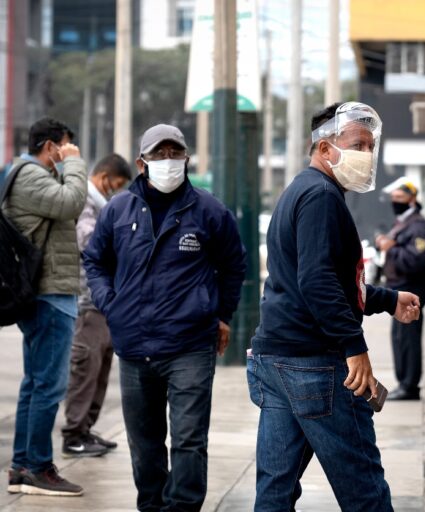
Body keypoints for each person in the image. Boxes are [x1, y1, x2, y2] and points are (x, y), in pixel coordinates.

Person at [249, 102, 421, 511]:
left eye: (370, 145)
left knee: (275, 488)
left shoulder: (302, 190)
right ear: (325, 148)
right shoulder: (321, 195)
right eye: (357, 144)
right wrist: (354, 348)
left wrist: (387, 299)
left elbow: (319, 279)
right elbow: (317, 281)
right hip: (314, 364)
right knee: (362, 485)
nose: (366, 154)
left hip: (277, 357)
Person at [83, 124, 247, 511]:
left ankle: (183, 507)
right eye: (159, 155)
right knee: (144, 443)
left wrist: (223, 316)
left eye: (175, 153)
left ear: (187, 159)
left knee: (189, 439)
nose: (168, 162)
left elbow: (234, 266)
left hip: (189, 344)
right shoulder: (118, 210)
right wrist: (110, 303)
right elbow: (95, 259)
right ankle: (152, 506)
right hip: (135, 346)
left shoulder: (209, 210)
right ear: (142, 163)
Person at [3, 117, 87, 496]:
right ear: (50, 146)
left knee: (35, 384)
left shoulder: (27, 175)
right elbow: (73, 203)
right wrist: (74, 163)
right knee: (49, 386)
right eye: (65, 145)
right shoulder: (32, 176)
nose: (70, 151)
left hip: (47, 292)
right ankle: (37, 466)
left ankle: (22, 466)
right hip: (50, 292)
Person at [61, 154, 132, 458]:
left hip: (105, 305)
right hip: (88, 303)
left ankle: (86, 430)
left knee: (100, 372)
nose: (115, 191)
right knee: (85, 371)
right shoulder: (86, 203)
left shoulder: (102, 205)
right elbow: (89, 242)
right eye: (115, 185)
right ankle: (73, 434)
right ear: (104, 178)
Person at [376, 178, 425, 400]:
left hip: (410, 289)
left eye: (399, 198)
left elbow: (416, 260)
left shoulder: (418, 226)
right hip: (398, 288)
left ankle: (409, 385)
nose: (395, 202)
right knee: (400, 339)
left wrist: (392, 249)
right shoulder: (402, 222)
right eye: (393, 199)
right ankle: (404, 383)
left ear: (412, 200)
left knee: (408, 340)